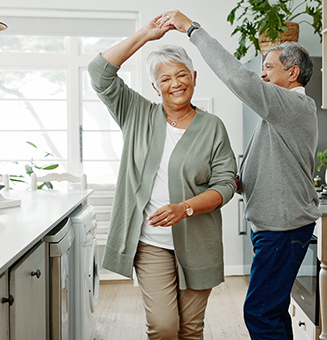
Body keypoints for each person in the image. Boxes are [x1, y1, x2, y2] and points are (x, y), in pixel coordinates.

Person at [157, 11, 321, 340]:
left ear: (292, 73)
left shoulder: (291, 105)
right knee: (271, 310)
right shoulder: (283, 112)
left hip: (282, 228)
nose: (261, 75)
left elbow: (237, 77)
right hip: (277, 226)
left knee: (259, 312)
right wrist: (234, 182)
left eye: (268, 67)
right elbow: (272, 161)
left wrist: (192, 29)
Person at [87, 16, 237, 340]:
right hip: (150, 242)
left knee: (192, 329)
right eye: (165, 78)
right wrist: (145, 34)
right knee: (164, 327)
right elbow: (99, 73)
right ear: (155, 87)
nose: (175, 83)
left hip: (199, 242)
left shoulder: (213, 127)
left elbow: (226, 184)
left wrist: (185, 208)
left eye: (181, 74)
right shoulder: (136, 113)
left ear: (194, 78)